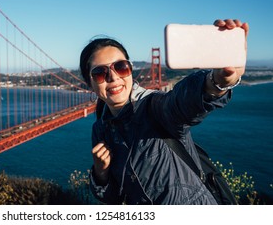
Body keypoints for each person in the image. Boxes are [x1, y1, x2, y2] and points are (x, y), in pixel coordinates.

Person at [79, 19, 249, 205]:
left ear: (130, 70)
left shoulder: (153, 106)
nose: (113, 77)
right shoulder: (101, 130)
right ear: (89, 83)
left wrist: (218, 81)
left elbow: (181, 103)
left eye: (120, 67)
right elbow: (115, 200)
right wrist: (100, 174)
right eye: (100, 73)